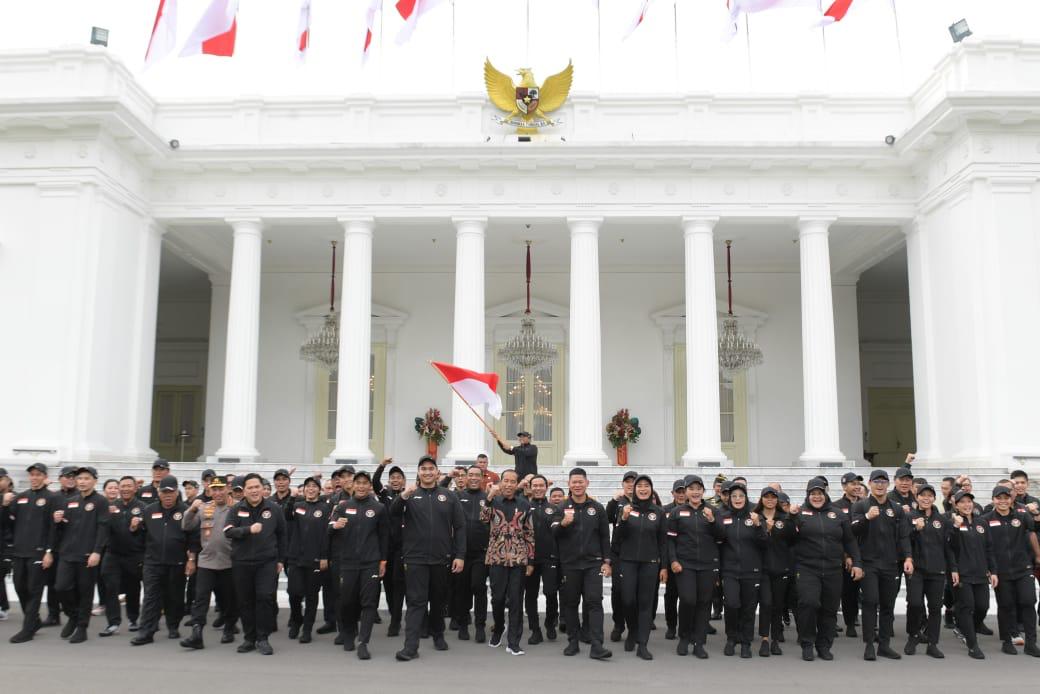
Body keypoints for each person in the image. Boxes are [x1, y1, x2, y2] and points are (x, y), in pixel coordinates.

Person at [390, 456, 466, 661]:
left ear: (437, 472)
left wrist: (460, 555)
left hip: (442, 558)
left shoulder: (449, 496)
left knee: (439, 601)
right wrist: (403, 496)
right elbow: (393, 513)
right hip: (414, 559)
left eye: (431, 468)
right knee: (416, 602)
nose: (427, 472)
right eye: (423, 469)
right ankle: (410, 647)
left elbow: (459, 527)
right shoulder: (410, 495)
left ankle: (438, 634)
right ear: (418, 472)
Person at [790, 478, 863, 661]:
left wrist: (857, 563)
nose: (817, 497)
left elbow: (849, 541)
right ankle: (807, 643)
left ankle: (824, 645)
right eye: (813, 494)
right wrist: (791, 517)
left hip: (832, 569)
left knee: (829, 609)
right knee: (809, 603)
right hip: (807, 568)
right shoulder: (800, 514)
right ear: (808, 495)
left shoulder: (838, 514)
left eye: (820, 493)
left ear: (825, 494)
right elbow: (788, 537)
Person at [852, 469, 913, 661]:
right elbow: (852, 532)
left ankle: (884, 645)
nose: (880, 485)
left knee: (888, 605)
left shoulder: (895, 508)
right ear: (869, 484)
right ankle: (869, 644)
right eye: (876, 481)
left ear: (888, 484)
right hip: (868, 563)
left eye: (883, 482)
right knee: (870, 601)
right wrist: (867, 518)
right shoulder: (861, 506)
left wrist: (908, 558)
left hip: (890, 563)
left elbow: (904, 536)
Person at [223, 473, 287, 656]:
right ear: (244, 491)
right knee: (245, 601)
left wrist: (281, 559)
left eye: (257, 487)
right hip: (241, 562)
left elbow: (283, 535)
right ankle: (249, 638)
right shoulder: (236, 509)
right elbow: (228, 531)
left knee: (265, 597)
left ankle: (263, 638)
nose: (254, 491)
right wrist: (248, 530)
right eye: (250, 488)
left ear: (262, 488)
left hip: (266, 562)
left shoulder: (273, 509)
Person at [128, 474, 195, 645]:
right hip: (153, 562)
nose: (167, 495)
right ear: (159, 492)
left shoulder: (185, 510)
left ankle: (173, 626)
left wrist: (191, 558)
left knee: (175, 596)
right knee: (151, 597)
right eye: (164, 492)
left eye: (170, 492)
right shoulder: (149, 510)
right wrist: (134, 528)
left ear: (176, 492)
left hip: (177, 562)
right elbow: (140, 535)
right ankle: (146, 632)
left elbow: (193, 537)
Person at [553, 467, 612, 660]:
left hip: (593, 564)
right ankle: (573, 642)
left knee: (594, 602)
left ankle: (597, 646)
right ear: (568, 484)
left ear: (587, 483)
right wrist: (563, 524)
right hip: (569, 564)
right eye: (573, 482)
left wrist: (607, 561)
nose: (577, 485)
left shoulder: (597, 507)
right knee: (570, 604)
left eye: (580, 481)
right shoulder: (561, 508)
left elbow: (604, 536)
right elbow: (552, 532)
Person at [329, 470, 388, 659]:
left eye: (365, 483)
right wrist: (334, 526)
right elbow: (328, 528)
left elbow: (384, 537)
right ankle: (349, 633)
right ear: (352, 485)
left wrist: (383, 560)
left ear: (370, 485)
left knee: (369, 603)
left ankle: (363, 642)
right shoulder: (343, 506)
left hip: (371, 562)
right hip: (348, 563)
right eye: (358, 483)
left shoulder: (378, 508)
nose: (361, 486)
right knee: (347, 602)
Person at [609, 474, 667, 660]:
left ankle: (642, 643)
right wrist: (624, 519)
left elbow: (663, 542)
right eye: (639, 486)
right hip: (627, 562)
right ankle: (632, 630)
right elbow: (617, 539)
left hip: (650, 564)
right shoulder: (625, 509)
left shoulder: (658, 512)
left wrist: (663, 566)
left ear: (651, 489)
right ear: (633, 489)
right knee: (627, 600)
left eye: (646, 486)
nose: (643, 489)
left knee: (645, 604)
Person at [52, 466, 110, 643]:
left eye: (86, 478)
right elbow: (64, 526)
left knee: (85, 592)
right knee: (61, 587)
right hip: (68, 553)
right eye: (80, 479)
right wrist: (58, 521)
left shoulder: (100, 501)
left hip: (88, 555)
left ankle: (82, 627)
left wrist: (97, 551)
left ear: (94, 480)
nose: (82, 482)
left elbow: (103, 527)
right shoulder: (71, 500)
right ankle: (73, 615)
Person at [981, 485, 1040, 656]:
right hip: (1000, 571)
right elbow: (983, 546)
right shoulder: (986, 519)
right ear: (993, 500)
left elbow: (1033, 532)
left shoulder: (1022, 515)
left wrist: (1037, 556)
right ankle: (1007, 641)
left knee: (1029, 601)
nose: (1003, 501)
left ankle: (1031, 642)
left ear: (1011, 499)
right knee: (1006, 605)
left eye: (1006, 498)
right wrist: (990, 570)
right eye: (999, 498)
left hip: (1023, 568)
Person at [3, 462, 59, 642]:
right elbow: (7, 524)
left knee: (34, 590)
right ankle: (33, 620)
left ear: (44, 476)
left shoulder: (52, 498)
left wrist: (49, 551)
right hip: (19, 551)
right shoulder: (20, 497)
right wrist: (4, 506)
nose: (34, 478)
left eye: (38, 474)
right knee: (20, 587)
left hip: (39, 552)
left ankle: (27, 630)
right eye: (32, 475)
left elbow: (53, 528)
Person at [481, 469, 535, 655]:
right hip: (496, 557)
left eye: (513, 481)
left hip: (519, 559)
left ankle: (514, 642)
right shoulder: (493, 501)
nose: (509, 484)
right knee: (497, 598)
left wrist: (530, 560)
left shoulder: (524, 504)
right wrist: (489, 497)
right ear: (501, 482)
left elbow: (529, 533)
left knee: (516, 601)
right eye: (506, 481)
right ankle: (499, 628)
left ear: (517, 484)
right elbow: (483, 519)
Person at [667, 474, 720, 659]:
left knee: (704, 603)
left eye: (699, 489)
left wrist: (713, 520)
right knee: (688, 600)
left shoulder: (713, 510)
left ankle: (699, 642)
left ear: (703, 491)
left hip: (707, 565)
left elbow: (721, 537)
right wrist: (673, 560)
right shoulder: (677, 512)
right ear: (686, 492)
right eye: (691, 489)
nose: (695, 492)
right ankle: (684, 637)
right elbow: (670, 540)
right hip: (685, 565)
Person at [180, 476, 237, 649]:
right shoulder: (205, 508)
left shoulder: (235, 508)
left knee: (229, 599)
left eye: (221, 489)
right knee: (201, 599)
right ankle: (197, 634)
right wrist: (191, 509)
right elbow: (187, 526)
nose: (218, 493)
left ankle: (229, 627)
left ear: (227, 489)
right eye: (214, 489)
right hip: (206, 562)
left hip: (228, 562)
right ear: (209, 491)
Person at [716, 481, 767, 658]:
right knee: (731, 604)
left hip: (751, 571)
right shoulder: (723, 516)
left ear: (746, 498)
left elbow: (764, 543)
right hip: (729, 570)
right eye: (734, 496)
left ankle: (745, 642)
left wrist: (758, 526)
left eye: (741, 496)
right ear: (729, 499)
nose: (738, 499)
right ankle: (731, 638)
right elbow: (718, 541)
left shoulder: (755, 516)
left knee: (748, 608)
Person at [904, 484, 954, 658]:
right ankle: (913, 635)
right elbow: (903, 540)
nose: (926, 498)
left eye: (929, 495)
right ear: (916, 497)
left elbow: (949, 547)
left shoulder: (942, 520)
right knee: (915, 603)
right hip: (916, 569)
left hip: (937, 570)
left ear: (934, 498)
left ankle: (933, 643)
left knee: (934, 607)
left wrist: (952, 568)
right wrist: (914, 529)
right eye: (922, 495)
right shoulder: (909, 516)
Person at [948, 489, 996, 659]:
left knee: (982, 606)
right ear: (956, 505)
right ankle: (972, 644)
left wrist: (993, 571)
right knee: (968, 606)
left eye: (969, 502)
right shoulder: (952, 522)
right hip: (963, 573)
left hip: (981, 573)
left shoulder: (981, 522)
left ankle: (963, 627)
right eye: (962, 502)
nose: (966, 505)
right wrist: (955, 526)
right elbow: (950, 548)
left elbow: (989, 548)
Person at [284, 476, 329, 644]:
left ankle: (307, 629)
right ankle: (296, 620)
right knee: (293, 593)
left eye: (314, 486)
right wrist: (292, 497)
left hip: (315, 559)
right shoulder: (297, 506)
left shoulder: (325, 508)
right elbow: (286, 515)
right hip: (295, 557)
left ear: (319, 490)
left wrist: (324, 556)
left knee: (311, 595)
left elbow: (326, 534)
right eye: (307, 486)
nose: (310, 489)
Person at [99, 476, 146, 637]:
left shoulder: (143, 507)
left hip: (134, 555)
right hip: (113, 554)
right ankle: (113, 623)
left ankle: (133, 619)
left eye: (129, 486)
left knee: (133, 588)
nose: (125, 489)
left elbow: (147, 532)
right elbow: (102, 529)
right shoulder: (111, 507)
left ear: (135, 488)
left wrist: (138, 526)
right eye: (123, 486)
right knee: (110, 587)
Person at [451, 465, 489, 642]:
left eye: (477, 475)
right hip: (461, 553)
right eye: (470, 475)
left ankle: (480, 626)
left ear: (482, 478)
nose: (473, 478)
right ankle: (463, 624)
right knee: (461, 590)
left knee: (478, 587)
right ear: (465, 478)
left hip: (481, 553)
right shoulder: (457, 496)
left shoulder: (488, 498)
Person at [755, 486, 793, 656]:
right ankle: (764, 638)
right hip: (762, 568)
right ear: (761, 499)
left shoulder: (784, 518)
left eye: (773, 497)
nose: (770, 500)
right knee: (766, 603)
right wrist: (765, 529)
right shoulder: (755, 517)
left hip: (780, 568)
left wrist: (794, 517)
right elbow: (753, 542)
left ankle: (775, 640)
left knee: (778, 605)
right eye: (767, 497)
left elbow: (793, 540)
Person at [524, 474, 560, 644]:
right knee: (530, 595)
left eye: (541, 485)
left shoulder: (554, 509)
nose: (538, 488)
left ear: (546, 487)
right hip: (529, 560)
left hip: (550, 558)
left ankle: (551, 623)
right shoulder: (524, 507)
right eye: (535, 485)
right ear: (530, 487)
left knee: (551, 593)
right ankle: (535, 630)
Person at [373, 458, 407, 636]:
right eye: (392, 477)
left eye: (398, 477)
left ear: (403, 481)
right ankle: (394, 614)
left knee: (399, 583)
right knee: (387, 583)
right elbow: (374, 482)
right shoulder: (384, 495)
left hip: (402, 548)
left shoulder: (408, 496)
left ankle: (395, 622)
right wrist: (382, 465)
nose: (395, 480)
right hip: (385, 547)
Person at [606, 470, 637, 643]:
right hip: (619, 553)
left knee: (633, 594)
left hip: (638, 555)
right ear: (623, 484)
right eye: (627, 481)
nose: (630, 484)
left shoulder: (645, 502)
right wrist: (613, 500)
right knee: (617, 591)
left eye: (634, 481)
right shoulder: (618, 502)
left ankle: (635, 627)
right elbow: (607, 518)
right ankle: (618, 625)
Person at [833, 471, 863, 637]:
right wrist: (846, 555)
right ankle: (849, 623)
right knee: (847, 592)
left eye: (858, 483)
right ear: (844, 486)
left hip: (865, 553)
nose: (856, 486)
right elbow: (839, 534)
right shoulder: (836, 506)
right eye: (853, 484)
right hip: (845, 556)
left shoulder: (865, 504)